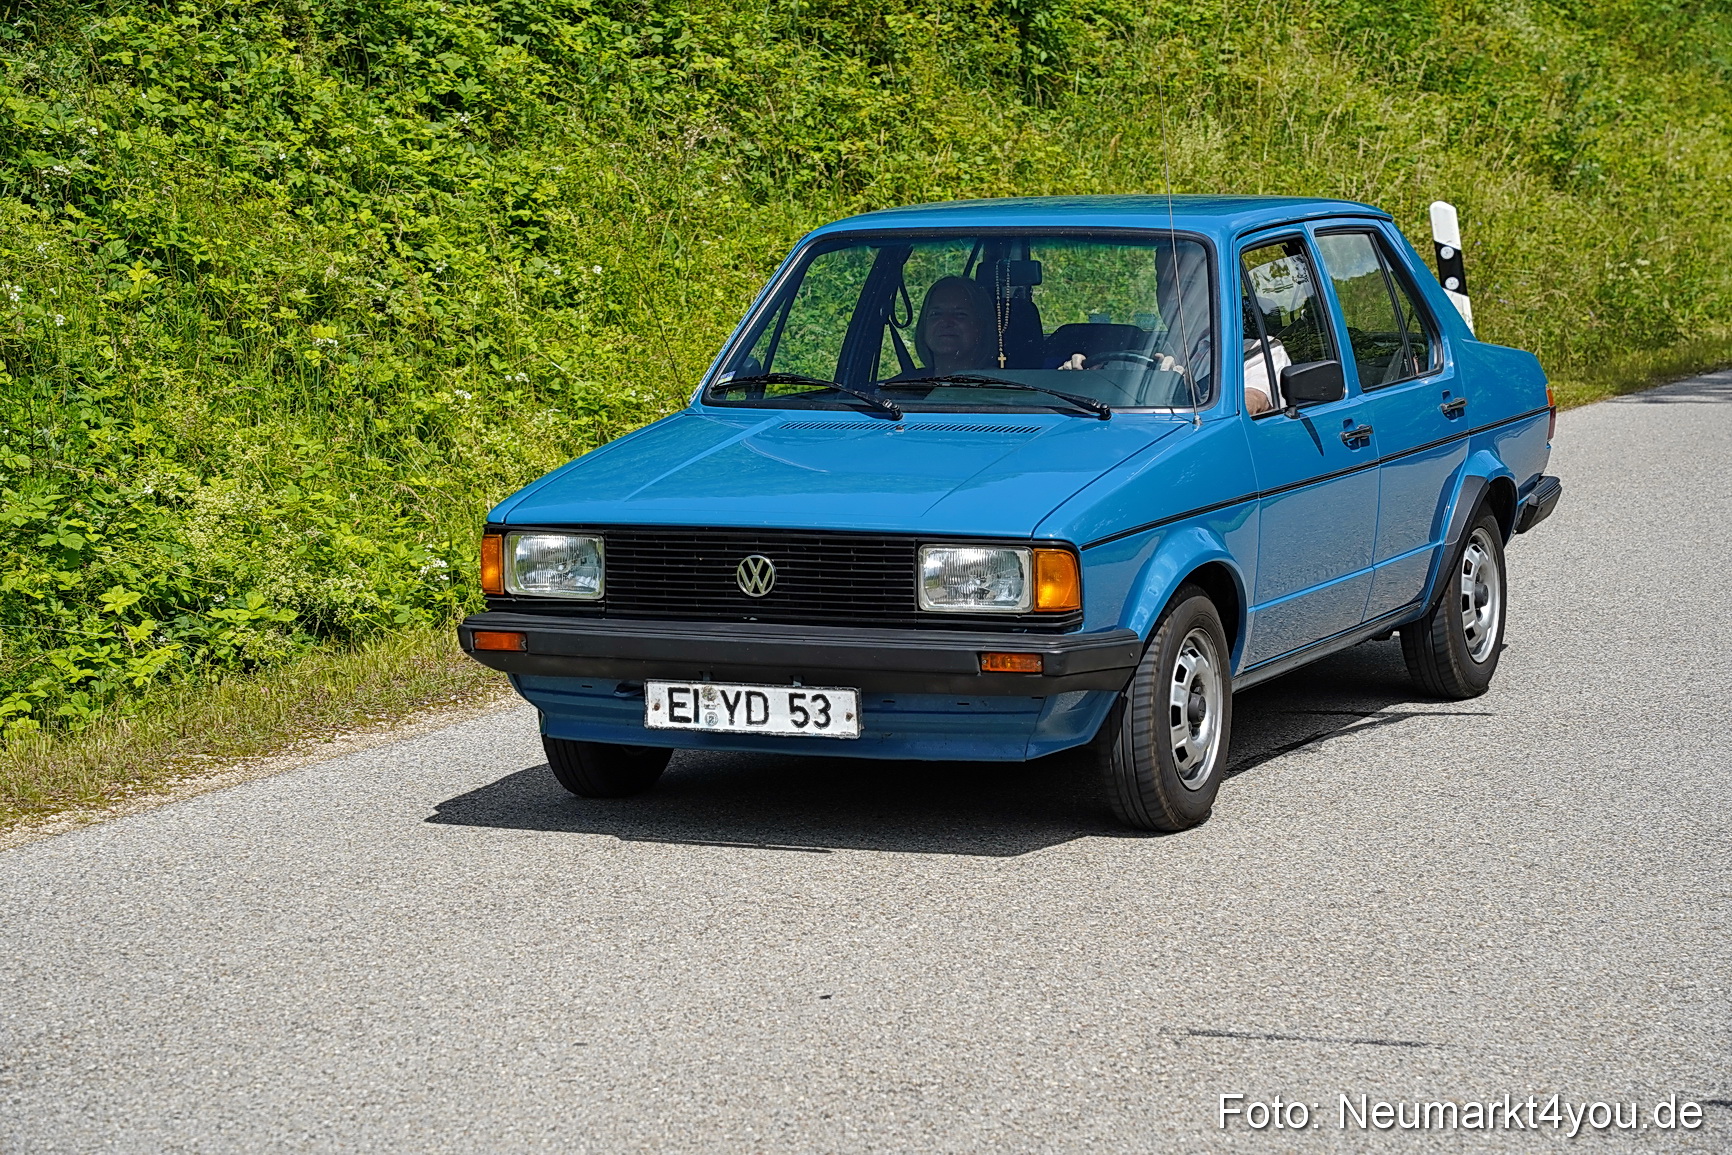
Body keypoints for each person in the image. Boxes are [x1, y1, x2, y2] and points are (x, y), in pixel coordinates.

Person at [913, 276, 998, 372]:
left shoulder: (1002, 384)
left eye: (960, 314)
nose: (946, 321)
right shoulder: (903, 384)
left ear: (982, 325)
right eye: (936, 314)